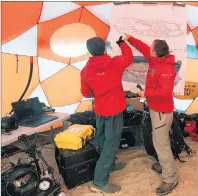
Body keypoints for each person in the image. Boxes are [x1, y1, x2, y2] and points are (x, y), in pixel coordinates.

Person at [125, 34, 178, 196]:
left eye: (151, 48)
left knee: (161, 144)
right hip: (156, 109)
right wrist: (131, 39)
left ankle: (170, 179)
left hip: (162, 111)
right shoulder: (156, 60)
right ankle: (165, 165)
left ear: (156, 52)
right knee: (159, 141)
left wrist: (145, 92)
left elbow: (164, 92)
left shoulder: (167, 68)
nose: (149, 49)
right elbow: (143, 47)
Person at [80, 36, 133, 193]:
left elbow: (86, 93)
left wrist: (98, 90)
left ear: (89, 51)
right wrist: (122, 43)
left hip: (100, 110)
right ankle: (100, 181)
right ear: (104, 49)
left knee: (102, 139)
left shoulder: (86, 70)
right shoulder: (114, 63)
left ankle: (109, 165)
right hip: (114, 110)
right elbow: (129, 57)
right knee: (111, 143)